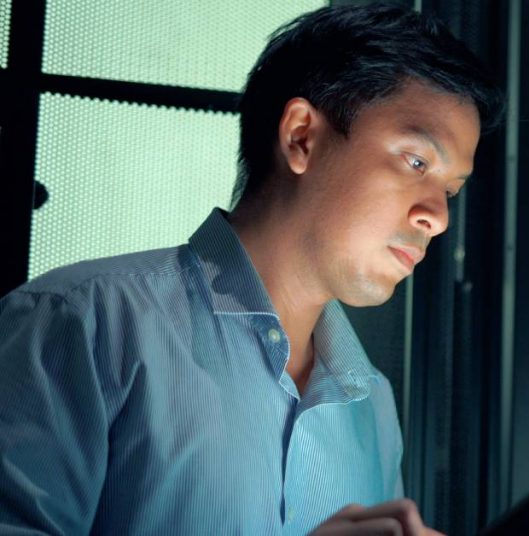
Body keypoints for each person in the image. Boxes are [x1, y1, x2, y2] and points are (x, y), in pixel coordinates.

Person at [0, 4, 503, 535]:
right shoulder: (82, 324)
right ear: (302, 136)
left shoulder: (372, 404)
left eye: (450, 190)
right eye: (417, 162)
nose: (439, 217)